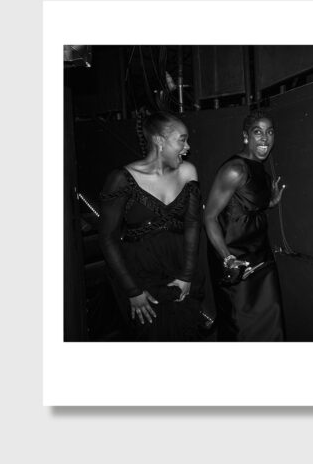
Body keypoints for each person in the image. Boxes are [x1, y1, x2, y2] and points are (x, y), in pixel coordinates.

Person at [98, 112, 204, 341]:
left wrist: (187, 276)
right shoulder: (122, 179)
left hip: (179, 270)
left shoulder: (188, 172)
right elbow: (107, 238)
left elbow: (193, 224)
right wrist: (132, 290)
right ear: (159, 140)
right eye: (182, 140)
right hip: (140, 276)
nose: (188, 147)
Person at [204, 111, 286, 341]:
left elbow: (246, 206)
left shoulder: (261, 169)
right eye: (257, 132)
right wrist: (227, 259)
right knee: (239, 326)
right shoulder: (235, 170)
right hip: (233, 256)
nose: (265, 138)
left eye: (270, 132)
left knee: (270, 320)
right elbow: (209, 217)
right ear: (245, 136)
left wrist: (269, 202)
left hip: (260, 254)